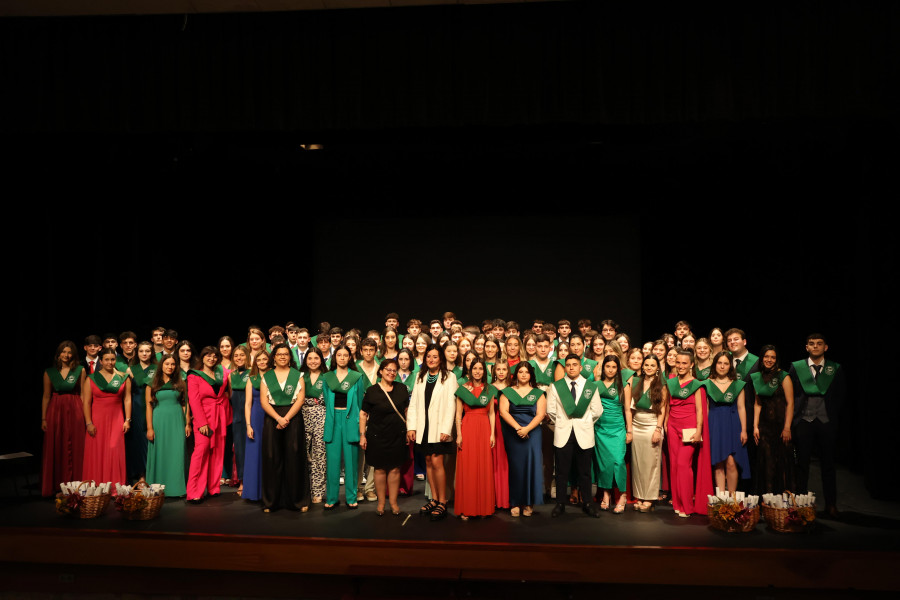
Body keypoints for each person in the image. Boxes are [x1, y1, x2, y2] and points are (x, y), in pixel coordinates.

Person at [789, 334, 845, 518]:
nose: (815, 347)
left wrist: (832, 416)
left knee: (828, 465)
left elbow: (839, 396)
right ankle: (801, 505)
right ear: (806, 347)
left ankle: (830, 504)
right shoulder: (796, 367)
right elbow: (792, 395)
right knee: (802, 465)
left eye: (819, 344)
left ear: (826, 347)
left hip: (826, 422)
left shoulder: (834, 369)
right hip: (803, 422)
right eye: (811, 344)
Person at [546, 354, 603, 518]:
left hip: (584, 433)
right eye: (568, 365)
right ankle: (560, 503)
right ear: (565, 367)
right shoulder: (556, 387)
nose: (571, 367)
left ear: (580, 367)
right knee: (562, 472)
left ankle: (587, 503)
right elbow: (551, 410)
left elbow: (597, 411)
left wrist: (582, 422)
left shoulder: (590, 387)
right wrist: (565, 422)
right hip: (563, 432)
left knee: (585, 472)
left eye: (574, 364)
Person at [407, 344, 458, 521]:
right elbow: (413, 404)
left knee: (437, 462)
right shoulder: (420, 376)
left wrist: (446, 429)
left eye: (435, 357)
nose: (431, 359)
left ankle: (443, 500)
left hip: (439, 427)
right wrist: (411, 426)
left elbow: (452, 405)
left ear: (441, 359)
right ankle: (434, 498)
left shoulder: (449, 377)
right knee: (428, 461)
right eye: (428, 356)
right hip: (423, 427)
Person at [258, 343, 309, 512]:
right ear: (274, 357)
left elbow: (300, 400)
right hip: (272, 418)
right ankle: (272, 501)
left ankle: (297, 501)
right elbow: (264, 402)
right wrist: (278, 418)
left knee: (294, 457)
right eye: (279, 354)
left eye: (285, 354)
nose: (282, 356)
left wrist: (286, 418)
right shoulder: (267, 376)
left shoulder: (298, 375)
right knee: (272, 458)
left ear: (290, 357)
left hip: (293, 417)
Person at [665, 350, 713, 517]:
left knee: (683, 465)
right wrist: (665, 423)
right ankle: (677, 503)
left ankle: (688, 505)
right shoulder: (671, 382)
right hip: (672, 425)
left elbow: (700, 410)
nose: (680, 366)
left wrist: (699, 430)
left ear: (692, 364)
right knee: (674, 465)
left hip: (690, 428)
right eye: (678, 363)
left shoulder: (697, 385)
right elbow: (667, 405)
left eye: (684, 363)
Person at [360, 358, 410, 516]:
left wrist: (409, 430)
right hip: (376, 435)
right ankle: (381, 503)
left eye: (394, 370)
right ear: (380, 371)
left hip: (398, 435)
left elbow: (407, 411)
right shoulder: (372, 391)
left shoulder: (402, 389)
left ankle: (394, 503)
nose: (391, 372)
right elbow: (363, 414)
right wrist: (362, 435)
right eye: (388, 369)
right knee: (380, 469)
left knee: (395, 469)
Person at [322, 345, 366, 510]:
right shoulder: (327, 377)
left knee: (351, 462)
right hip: (333, 420)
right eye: (339, 355)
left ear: (349, 357)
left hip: (350, 421)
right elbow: (327, 400)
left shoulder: (356, 377)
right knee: (332, 463)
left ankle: (351, 496)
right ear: (335, 358)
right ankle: (332, 498)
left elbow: (361, 404)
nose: (341, 358)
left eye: (345, 355)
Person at [499, 362, 545, 517]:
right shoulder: (507, 392)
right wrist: (518, 428)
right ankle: (515, 501)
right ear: (515, 374)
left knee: (531, 467)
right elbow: (503, 412)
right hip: (513, 433)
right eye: (521, 372)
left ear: (531, 374)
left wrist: (526, 429)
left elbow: (540, 415)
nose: (524, 375)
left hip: (533, 433)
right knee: (516, 468)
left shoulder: (538, 393)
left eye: (527, 372)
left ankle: (528, 502)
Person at [453, 359, 497, 520]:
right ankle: (467, 507)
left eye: (480, 369)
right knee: (468, 467)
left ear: (484, 371)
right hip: (468, 427)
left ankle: (483, 507)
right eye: (475, 368)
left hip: (484, 427)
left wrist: (492, 433)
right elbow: (458, 415)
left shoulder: (489, 389)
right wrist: (459, 433)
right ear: (470, 371)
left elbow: (491, 413)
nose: (477, 371)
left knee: (483, 466)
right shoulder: (463, 389)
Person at [41, 341, 86, 496]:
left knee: (76, 445)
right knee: (57, 444)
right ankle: (57, 484)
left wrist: (85, 417)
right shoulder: (49, 372)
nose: (66, 355)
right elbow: (46, 396)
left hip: (75, 408)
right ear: (58, 354)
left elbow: (82, 394)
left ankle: (77, 484)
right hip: (56, 410)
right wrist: (43, 418)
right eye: (64, 352)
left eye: (69, 352)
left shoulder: (80, 370)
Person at [82, 348, 131, 487]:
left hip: (117, 418)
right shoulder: (91, 378)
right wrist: (88, 423)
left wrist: (128, 419)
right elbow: (86, 402)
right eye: (107, 360)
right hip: (97, 420)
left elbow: (127, 399)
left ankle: (115, 485)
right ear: (101, 361)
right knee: (98, 452)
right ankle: (97, 485)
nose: (110, 362)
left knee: (114, 450)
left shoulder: (123, 377)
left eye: (113, 359)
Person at [186, 346, 230, 503]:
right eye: (208, 356)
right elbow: (194, 400)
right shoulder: (194, 375)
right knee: (201, 453)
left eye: (214, 356)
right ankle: (194, 492)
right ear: (202, 357)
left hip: (219, 417)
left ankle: (213, 487)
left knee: (217, 453)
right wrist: (201, 422)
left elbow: (226, 392)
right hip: (204, 418)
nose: (211, 359)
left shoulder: (220, 373)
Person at [704, 351, 750, 494]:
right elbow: (705, 408)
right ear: (715, 364)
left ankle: (732, 498)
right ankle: (721, 499)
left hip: (732, 424)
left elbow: (741, 407)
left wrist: (743, 430)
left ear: (730, 366)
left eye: (726, 363)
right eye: (719, 363)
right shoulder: (706, 383)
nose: (722, 366)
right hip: (714, 424)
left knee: (731, 462)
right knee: (718, 463)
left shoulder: (737, 384)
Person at [752, 345, 796, 496]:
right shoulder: (757, 377)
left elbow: (790, 403)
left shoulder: (783, 376)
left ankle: (781, 500)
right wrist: (755, 426)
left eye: (772, 357)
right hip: (764, 426)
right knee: (766, 463)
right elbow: (757, 403)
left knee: (781, 463)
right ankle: (766, 500)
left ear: (776, 360)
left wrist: (787, 427)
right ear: (762, 358)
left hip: (781, 426)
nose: (769, 360)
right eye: (766, 357)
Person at [626, 355, 668, 512]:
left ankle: (650, 498)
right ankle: (640, 496)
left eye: (652, 365)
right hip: (637, 424)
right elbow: (630, 407)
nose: (649, 367)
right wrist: (630, 428)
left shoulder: (661, 384)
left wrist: (658, 428)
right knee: (638, 463)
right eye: (646, 365)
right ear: (642, 367)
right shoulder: (636, 382)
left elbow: (662, 408)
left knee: (651, 464)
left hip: (652, 425)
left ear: (657, 368)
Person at [593, 356, 632, 513]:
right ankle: (607, 495)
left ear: (618, 369)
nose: (610, 369)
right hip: (600, 428)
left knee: (618, 461)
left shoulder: (624, 385)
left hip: (617, 428)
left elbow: (628, 410)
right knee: (604, 464)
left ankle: (622, 495)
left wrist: (630, 430)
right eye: (607, 366)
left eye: (613, 367)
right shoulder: (596, 385)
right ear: (603, 369)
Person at [145, 356, 188, 497]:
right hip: (159, 422)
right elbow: (148, 406)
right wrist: (150, 428)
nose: (170, 366)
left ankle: (176, 489)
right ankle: (157, 488)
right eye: (167, 364)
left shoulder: (180, 383)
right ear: (161, 365)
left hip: (176, 421)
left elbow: (184, 404)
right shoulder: (152, 383)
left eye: (173, 364)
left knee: (176, 453)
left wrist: (187, 423)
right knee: (160, 452)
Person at [125, 341, 157, 483]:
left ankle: (152, 474)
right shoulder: (131, 370)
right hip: (137, 409)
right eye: (141, 351)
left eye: (148, 351)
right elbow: (127, 395)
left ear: (152, 353)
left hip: (154, 407)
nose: (144, 354)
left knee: (152, 441)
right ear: (137, 353)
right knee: (138, 443)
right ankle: (140, 476)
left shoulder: (157, 369)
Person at [301, 347, 328, 504]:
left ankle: (318, 491)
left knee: (320, 454)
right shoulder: (300, 376)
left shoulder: (326, 377)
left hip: (321, 415)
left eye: (316, 358)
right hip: (302, 415)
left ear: (321, 360)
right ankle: (303, 490)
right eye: (309, 358)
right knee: (302, 453)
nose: (313, 361)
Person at [243, 350, 269, 502]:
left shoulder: (274, 377)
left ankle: (269, 491)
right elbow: (247, 404)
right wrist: (248, 425)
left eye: (265, 359)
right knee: (255, 454)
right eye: (259, 360)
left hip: (270, 417)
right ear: (255, 363)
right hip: (256, 418)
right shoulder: (251, 379)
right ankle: (254, 493)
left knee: (270, 453)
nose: (262, 362)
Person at [228, 346, 251, 496]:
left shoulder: (253, 374)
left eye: (242, 355)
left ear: (247, 356)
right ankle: (242, 481)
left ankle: (254, 480)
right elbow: (230, 397)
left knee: (253, 449)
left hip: (251, 415)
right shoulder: (231, 376)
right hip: (237, 418)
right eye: (236, 356)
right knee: (241, 451)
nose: (238, 358)